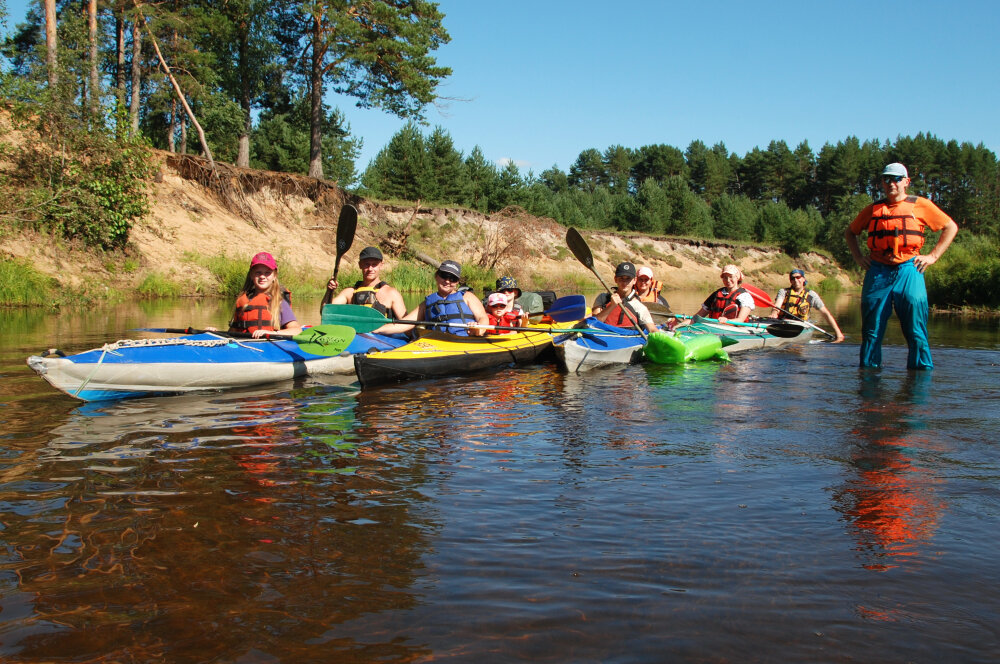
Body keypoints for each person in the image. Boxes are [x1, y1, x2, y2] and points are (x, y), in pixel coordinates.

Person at [845, 162, 958, 369]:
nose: (891, 183)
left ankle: (920, 379)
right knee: (872, 329)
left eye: (896, 179)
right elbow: (850, 232)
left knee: (915, 328)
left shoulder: (921, 204)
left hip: (909, 268)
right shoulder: (873, 209)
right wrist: (859, 257)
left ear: (906, 182)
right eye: (887, 179)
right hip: (878, 271)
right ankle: (869, 381)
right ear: (882, 182)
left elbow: (950, 227)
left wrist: (933, 256)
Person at [374, 260, 490, 337]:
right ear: (436, 276)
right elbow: (404, 324)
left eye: (453, 279)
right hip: (436, 343)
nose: (447, 281)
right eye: (444, 276)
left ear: (458, 282)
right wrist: (377, 329)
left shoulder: (467, 297)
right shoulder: (426, 304)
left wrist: (479, 328)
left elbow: (483, 318)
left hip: (466, 341)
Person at [226, 252, 302, 338]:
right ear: (251, 275)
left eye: (267, 273)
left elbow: (297, 330)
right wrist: (213, 332)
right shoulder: (243, 301)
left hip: (269, 347)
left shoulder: (279, 302)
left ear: (274, 276)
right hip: (244, 345)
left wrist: (271, 333)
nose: (262, 276)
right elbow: (231, 332)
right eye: (258, 273)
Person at [323, 246, 406, 319]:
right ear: (360, 265)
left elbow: (408, 329)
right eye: (366, 264)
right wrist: (329, 291)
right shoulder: (349, 293)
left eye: (374, 265)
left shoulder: (391, 293)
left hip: (382, 335)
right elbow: (325, 312)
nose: (370, 269)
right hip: (357, 335)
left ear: (381, 265)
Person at [771, 269, 845, 342]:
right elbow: (778, 304)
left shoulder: (811, 295)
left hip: (800, 325)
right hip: (782, 323)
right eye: (793, 278)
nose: (796, 280)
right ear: (790, 281)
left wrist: (838, 332)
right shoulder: (783, 292)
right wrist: (774, 313)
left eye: (798, 277)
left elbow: (826, 313)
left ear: (803, 279)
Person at [591, 262, 658, 334]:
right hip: (602, 337)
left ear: (634, 280)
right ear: (615, 279)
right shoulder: (603, 298)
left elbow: (652, 330)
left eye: (628, 279)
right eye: (621, 278)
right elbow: (593, 324)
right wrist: (611, 306)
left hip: (627, 341)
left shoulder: (639, 307)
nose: (624, 282)